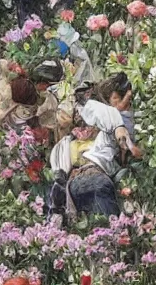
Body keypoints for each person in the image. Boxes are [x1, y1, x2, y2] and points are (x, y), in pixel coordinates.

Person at [50, 77, 142, 220]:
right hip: (91, 182)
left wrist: (122, 134)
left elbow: (104, 114)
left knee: (96, 232)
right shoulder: (106, 120)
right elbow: (103, 113)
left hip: (80, 185)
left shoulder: (110, 128)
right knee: (112, 230)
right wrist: (119, 129)